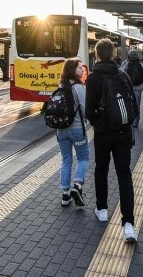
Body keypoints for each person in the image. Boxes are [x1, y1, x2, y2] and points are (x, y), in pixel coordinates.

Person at [85, 38, 139, 243]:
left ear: (96, 54)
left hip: (103, 134)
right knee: (124, 174)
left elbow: (89, 110)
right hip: (123, 133)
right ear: (114, 54)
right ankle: (128, 224)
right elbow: (133, 105)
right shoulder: (123, 74)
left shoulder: (93, 78)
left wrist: (99, 123)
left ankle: (102, 209)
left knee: (101, 169)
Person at [56, 58, 90, 208]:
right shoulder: (79, 88)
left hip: (61, 131)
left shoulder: (60, 86)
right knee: (83, 158)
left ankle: (65, 195)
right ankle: (77, 185)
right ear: (72, 70)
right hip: (77, 130)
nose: (82, 70)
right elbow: (85, 110)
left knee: (66, 160)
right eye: (79, 68)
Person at [120, 50, 143, 128]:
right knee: (137, 105)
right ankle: (136, 122)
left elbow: (120, 74)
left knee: (127, 105)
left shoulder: (126, 64)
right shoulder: (141, 65)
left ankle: (128, 121)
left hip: (127, 88)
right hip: (138, 88)